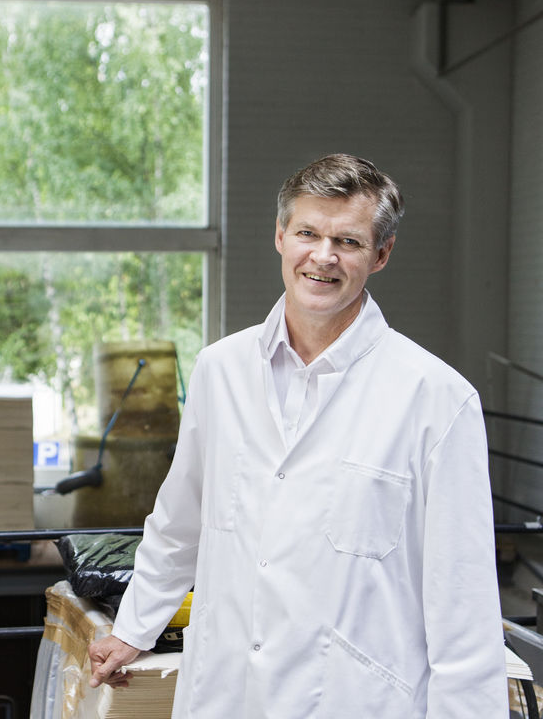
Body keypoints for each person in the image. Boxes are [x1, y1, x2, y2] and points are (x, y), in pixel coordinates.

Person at [87, 153, 509, 718]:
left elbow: (463, 600)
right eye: (308, 233)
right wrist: (135, 626)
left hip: (357, 701)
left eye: (349, 241)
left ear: (381, 255)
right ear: (280, 237)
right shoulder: (222, 370)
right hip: (226, 693)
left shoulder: (435, 398)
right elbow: (179, 520)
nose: (323, 256)